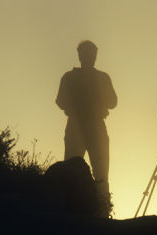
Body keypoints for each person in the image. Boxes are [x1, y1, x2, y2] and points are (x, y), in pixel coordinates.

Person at [56, 40, 117, 195]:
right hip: (77, 127)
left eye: (92, 54)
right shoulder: (70, 77)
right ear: (80, 55)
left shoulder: (102, 77)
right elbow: (60, 100)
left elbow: (113, 102)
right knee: (71, 172)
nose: (90, 57)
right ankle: (72, 211)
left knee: (101, 174)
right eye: (87, 53)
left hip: (95, 127)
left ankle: (103, 210)